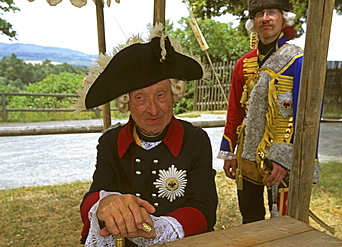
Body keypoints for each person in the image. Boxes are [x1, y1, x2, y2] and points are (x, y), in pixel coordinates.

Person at [77, 25, 218, 247]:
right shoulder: (111, 142)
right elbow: (92, 198)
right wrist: (106, 203)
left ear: (173, 96)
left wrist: (161, 229)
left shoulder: (196, 139)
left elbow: (204, 209)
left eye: (160, 95)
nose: (153, 109)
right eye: (141, 98)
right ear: (127, 103)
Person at [217, 0, 320, 224]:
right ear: (252, 22)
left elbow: (307, 117)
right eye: (259, 14)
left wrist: (285, 158)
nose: (265, 18)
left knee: (283, 220)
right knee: (251, 217)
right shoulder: (243, 64)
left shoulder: (298, 60)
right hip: (247, 155)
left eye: (271, 12)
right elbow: (234, 110)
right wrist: (229, 151)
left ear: (284, 18)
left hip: (283, 154)